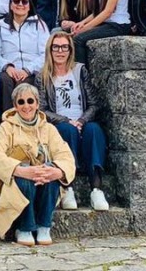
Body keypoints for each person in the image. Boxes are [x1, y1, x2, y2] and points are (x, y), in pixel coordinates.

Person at [0, 81, 76, 246]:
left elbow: (65, 156)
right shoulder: (6, 127)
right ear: (15, 105)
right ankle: (24, 227)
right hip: (18, 183)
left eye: (30, 101)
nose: (26, 106)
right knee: (26, 176)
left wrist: (58, 171)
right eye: (21, 102)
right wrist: (20, 170)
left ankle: (44, 226)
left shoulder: (49, 128)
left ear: (37, 103)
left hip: (43, 183)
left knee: (50, 172)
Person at [38, 31, 108, 211]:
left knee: (94, 129)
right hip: (60, 123)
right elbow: (42, 109)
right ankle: (67, 187)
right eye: (56, 47)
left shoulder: (79, 70)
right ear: (50, 50)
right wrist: (67, 120)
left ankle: (96, 189)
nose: (60, 51)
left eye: (64, 47)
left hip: (82, 121)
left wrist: (82, 121)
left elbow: (94, 103)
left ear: (70, 50)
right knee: (66, 130)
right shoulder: (43, 76)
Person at [0, 0, 49, 112]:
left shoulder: (39, 25)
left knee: (22, 86)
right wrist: (7, 67)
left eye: (24, 2)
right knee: (5, 81)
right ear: (11, 5)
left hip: (31, 70)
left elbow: (45, 53)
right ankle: (8, 121)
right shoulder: (1, 26)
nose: (20, 4)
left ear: (29, 6)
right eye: (16, 1)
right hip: (9, 70)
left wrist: (27, 70)